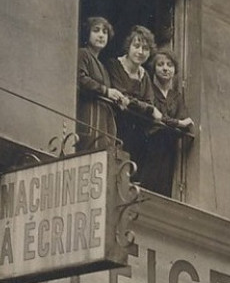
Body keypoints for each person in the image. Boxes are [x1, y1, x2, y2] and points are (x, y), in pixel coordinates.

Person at [108, 25, 163, 173]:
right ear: (128, 46)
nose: (140, 52)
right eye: (136, 46)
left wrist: (139, 105)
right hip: (116, 129)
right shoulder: (115, 66)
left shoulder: (144, 75)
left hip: (137, 136)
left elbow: (148, 102)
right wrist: (149, 109)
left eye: (145, 48)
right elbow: (122, 97)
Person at [139, 48, 194, 196]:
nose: (165, 68)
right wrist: (177, 123)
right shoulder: (148, 89)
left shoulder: (176, 97)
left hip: (169, 150)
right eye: (160, 64)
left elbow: (185, 123)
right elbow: (153, 116)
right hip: (150, 145)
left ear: (175, 70)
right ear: (154, 68)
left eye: (169, 65)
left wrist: (174, 123)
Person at [76, 16, 128, 152]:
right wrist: (106, 91)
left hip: (103, 123)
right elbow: (80, 79)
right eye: (96, 30)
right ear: (88, 33)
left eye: (104, 32)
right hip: (88, 117)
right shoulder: (83, 54)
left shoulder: (103, 67)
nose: (101, 35)